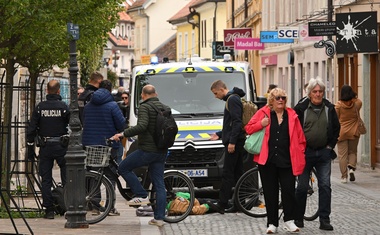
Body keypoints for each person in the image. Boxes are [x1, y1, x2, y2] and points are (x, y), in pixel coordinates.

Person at [245, 88, 306, 234]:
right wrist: (262, 124)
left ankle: (289, 221)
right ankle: (272, 223)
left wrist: (300, 153)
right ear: (271, 99)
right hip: (267, 161)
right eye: (278, 98)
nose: (281, 100)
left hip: (287, 161)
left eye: (283, 98)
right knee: (270, 193)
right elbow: (248, 128)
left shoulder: (292, 115)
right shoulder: (263, 113)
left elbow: (300, 138)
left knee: (288, 191)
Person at [111, 84, 169, 227]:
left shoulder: (145, 107)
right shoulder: (165, 107)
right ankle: (159, 219)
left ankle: (141, 195)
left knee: (123, 167)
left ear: (143, 95)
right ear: (156, 94)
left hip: (147, 150)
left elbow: (142, 126)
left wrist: (123, 134)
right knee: (159, 184)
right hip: (161, 150)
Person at [293, 77, 340, 231]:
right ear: (310, 93)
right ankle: (298, 218)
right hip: (305, 153)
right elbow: (294, 129)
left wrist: (329, 146)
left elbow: (336, 128)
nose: (318, 94)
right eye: (315, 92)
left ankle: (324, 220)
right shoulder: (301, 108)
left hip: (323, 153)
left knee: (325, 186)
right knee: (301, 187)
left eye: (320, 91)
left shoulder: (329, 108)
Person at [26, 80, 70, 219]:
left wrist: (30, 146)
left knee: (46, 179)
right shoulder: (63, 107)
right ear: (58, 91)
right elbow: (73, 125)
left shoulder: (40, 107)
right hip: (61, 145)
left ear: (46, 91)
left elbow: (32, 128)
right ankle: (67, 205)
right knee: (66, 177)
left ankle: (49, 209)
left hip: (45, 146)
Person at [82, 80, 126, 216]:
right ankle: (110, 207)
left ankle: (95, 205)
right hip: (109, 144)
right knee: (111, 175)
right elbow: (121, 125)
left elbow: (84, 122)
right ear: (110, 89)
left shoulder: (88, 105)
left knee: (95, 174)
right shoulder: (112, 106)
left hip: (91, 145)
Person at [209, 80, 246, 214]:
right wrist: (219, 134)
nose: (215, 96)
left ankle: (222, 203)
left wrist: (232, 142)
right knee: (237, 173)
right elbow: (231, 124)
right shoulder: (232, 98)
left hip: (234, 143)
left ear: (221, 89)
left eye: (215, 93)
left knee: (227, 173)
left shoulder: (232, 99)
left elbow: (237, 122)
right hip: (235, 140)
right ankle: (240, 203)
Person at [335, 85, 362, 183]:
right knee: (353, 152)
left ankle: (344, 176)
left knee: (342, 155)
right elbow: (358, 100)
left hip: (342, 132)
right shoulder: (356, 104)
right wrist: (353, 96)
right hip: (354, 131)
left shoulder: (338, 105)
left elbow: (336, 118)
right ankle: (351, 167)